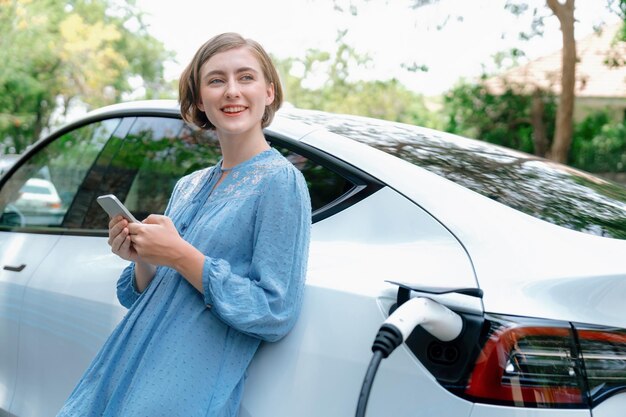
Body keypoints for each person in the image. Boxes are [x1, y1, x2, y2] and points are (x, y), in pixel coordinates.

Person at [56, 32, 311, 417]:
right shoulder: (188, 185)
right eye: (215, 80)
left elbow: (274, 310)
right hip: (128, 364)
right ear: (198, 100)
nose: (231, 91)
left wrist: (178, 254)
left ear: (269, 92)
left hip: (184, 387)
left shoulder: (280, 181)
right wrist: (142, 256)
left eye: (246, 77)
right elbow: (146, 294)